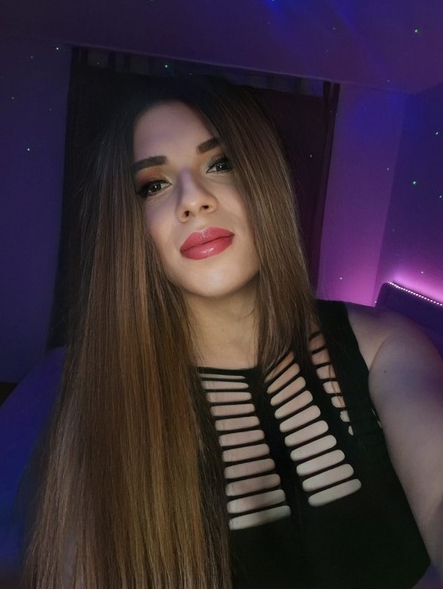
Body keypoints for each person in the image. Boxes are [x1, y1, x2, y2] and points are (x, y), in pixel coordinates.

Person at [22, 76, 443, 588]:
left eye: (220, 164)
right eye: (153, 185)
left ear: (267, 180)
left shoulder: (386, 346)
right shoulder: (104, 409)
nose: (193, 200)